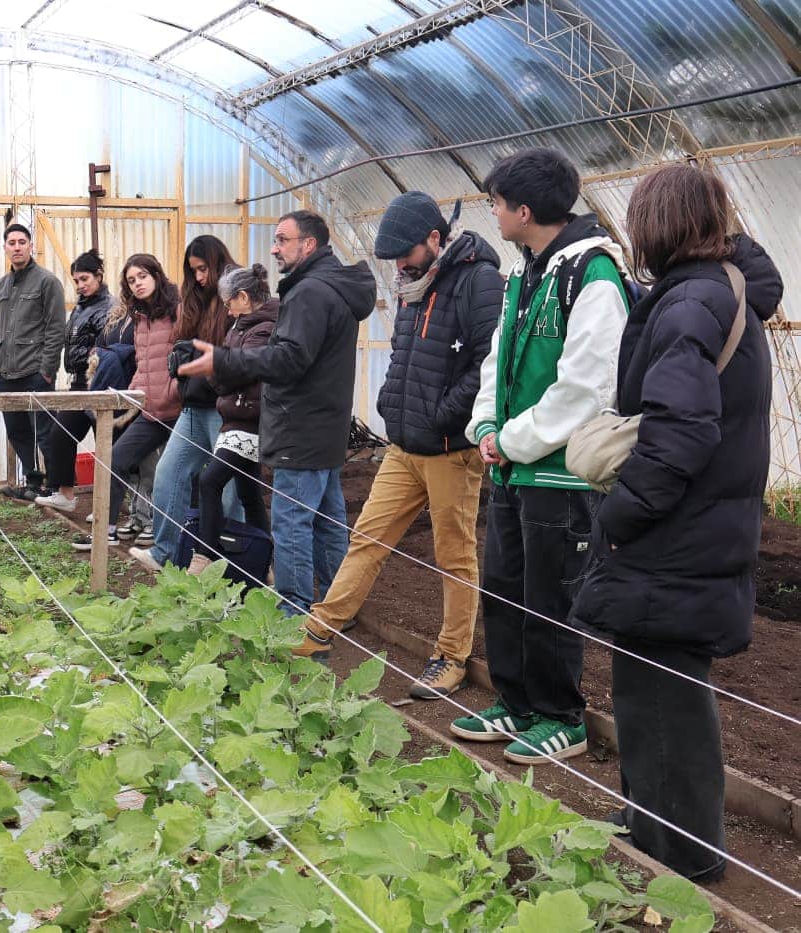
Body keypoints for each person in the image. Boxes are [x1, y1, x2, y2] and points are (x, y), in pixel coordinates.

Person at [570, 166, 781, 880]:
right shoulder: (718, 294)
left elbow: (680, 434)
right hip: (697, 533)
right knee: (651, 694)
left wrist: (620, 518)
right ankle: (648, 826)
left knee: (667, 701)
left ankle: (684, 861)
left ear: (657, 224)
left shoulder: (690, 303)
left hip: (675, 538)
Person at [449, 148, 630, 764]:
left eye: (497, 203)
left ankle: (562, 716)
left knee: (549, 593)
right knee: (505, 585)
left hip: (561, 472)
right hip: (512, 464)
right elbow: (498, 358)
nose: (492, 213)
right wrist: (485, 424)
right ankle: (516, 701)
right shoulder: (527, 273)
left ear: (524, 210)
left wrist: (513, 439)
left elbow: (585, 389)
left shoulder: (594, 276)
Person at [292, 193, 502, 699]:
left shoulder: (479, 281)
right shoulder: (414, 284)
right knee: (369, 536)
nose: (399, 265)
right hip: (405, 447)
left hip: (452, 448)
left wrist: (444, 414)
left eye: (405, 253)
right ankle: (321, 627)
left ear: (435, 238)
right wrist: (391, 402)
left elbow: (488, 361)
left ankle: (451, 656)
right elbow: (404, 354)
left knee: (455, 555)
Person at [180, 211, 376, 616]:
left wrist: (224, 361)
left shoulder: (308, 293)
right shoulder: (331, 288)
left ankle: (293, 614)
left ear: (308, 245)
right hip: (325, 426)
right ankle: (339, 610)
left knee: (291, 526)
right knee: (326, 522)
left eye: (283, 240)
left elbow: (290, 359)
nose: (274, 248)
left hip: (300, 428)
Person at [132, 235, 241, 571]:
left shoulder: (236, 296)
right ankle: (164, 553)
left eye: (203, 269)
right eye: (193, 271)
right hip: (193, 407)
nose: (198, 277)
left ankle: (234, 562)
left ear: (219, 263)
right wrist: (179, 360)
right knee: (169, 474)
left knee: (229, 490)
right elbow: (183, 343)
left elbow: (240, 351)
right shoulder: (193, 301)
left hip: (224, 411)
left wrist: (198, 357)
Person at [186, 264, 278, 575]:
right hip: (236, 418)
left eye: (228, 302)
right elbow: (228, 372)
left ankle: (203, 558)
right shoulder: (239, 328)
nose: (226, 310)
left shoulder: (265, 328)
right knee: (249, 495)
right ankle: (265, 564)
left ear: (243, 296)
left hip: (250, 422)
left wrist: (217, 373)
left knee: (209, 482)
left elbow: (241, 371)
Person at [96, 254, 181, 546]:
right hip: (151, 411)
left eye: (142, 276)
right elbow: (144, 368)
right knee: (115, 460)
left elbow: (186, 358)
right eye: (132, 280)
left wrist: (174, 391)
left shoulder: (177, 311)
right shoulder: (140, 319)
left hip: (181, 411)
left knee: (171, 474)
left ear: (157, 275)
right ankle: (104, 532)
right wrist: (128, 396)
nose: (137, 284)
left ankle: (173, 536)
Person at [34, 249, 116, 513]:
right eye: (76, 281)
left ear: (99, 276)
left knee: (105, 445)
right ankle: (66, 495)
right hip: (78, 383)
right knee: (61, 434)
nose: (80, 285)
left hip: (99, 383)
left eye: (85, 279)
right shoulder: (81, 307)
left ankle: (106, 506)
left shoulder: (109, 308)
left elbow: (106, 346)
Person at [0, 223, 65, 500]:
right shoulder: (0, 287)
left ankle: (57, 486)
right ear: (5, 248)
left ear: (31, 246)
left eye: (22, 242)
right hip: (6, 374)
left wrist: (47, 370)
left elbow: (56, 328)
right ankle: (33, 483)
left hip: (35, 371)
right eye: (12, 243)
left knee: (45, 431)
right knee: (17, 430)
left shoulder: (47, 282)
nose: (17, 247)